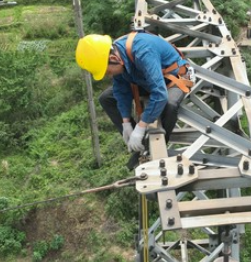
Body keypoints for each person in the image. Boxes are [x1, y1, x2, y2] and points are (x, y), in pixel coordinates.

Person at [76, 32, 193, 164]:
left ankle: (149, 147)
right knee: (106, 98)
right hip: (146, 80)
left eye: (108, 72)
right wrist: (126, 123)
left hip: (173, 80)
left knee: (169, 104)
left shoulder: (143, 52)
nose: (109, 75)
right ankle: (138, 145)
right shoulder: (119, 55)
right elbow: (121, 90)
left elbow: (160, 94)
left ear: (114, 58)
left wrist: (141, 126)